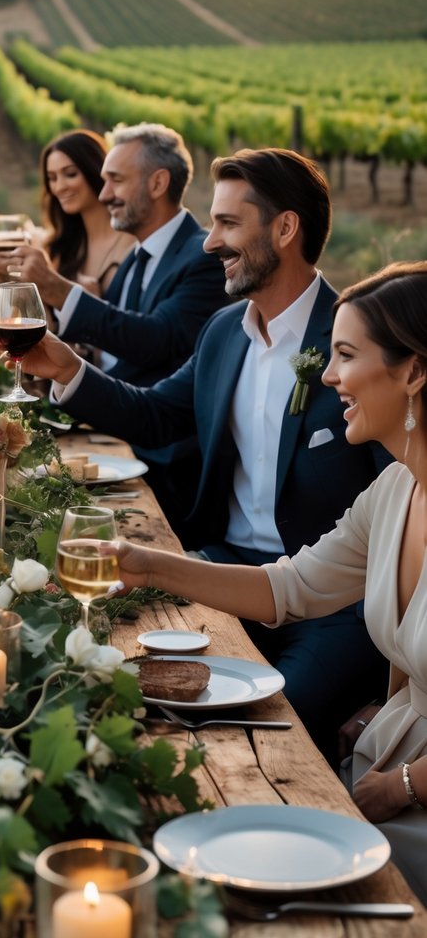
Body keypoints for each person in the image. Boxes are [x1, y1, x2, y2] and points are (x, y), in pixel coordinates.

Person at [18, 147, 389, 762]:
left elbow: (405, 508)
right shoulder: (224, 332)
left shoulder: (353, 344)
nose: (208, 242)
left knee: (262, 733)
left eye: (227, 224)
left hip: (333, 608)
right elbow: (157, 413)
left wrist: (396, 688)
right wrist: (69, 370)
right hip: (221, 566)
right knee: (100, 662)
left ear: (285, 228)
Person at [107, 261, 427, 904]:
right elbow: (291, 588)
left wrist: (407, 787)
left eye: (343, 355)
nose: (327, 375)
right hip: (383, 761)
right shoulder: (394, 489)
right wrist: (154, 565)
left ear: (413, 371)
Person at [10, 123, 228, 530]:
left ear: (158, 182)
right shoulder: (140, 254)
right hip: (116, 441)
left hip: (162, 463)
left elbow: (156, 341)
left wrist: (59, 288)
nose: (104, 193)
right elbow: (115, 349)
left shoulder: (201, 258)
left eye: (116, 180)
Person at [13, 129, 133, 296]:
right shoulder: (63, 246)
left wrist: (90, 305)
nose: (60, 187)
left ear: (95, 170)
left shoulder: (132, 245)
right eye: (52, 178)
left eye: (70, 174)